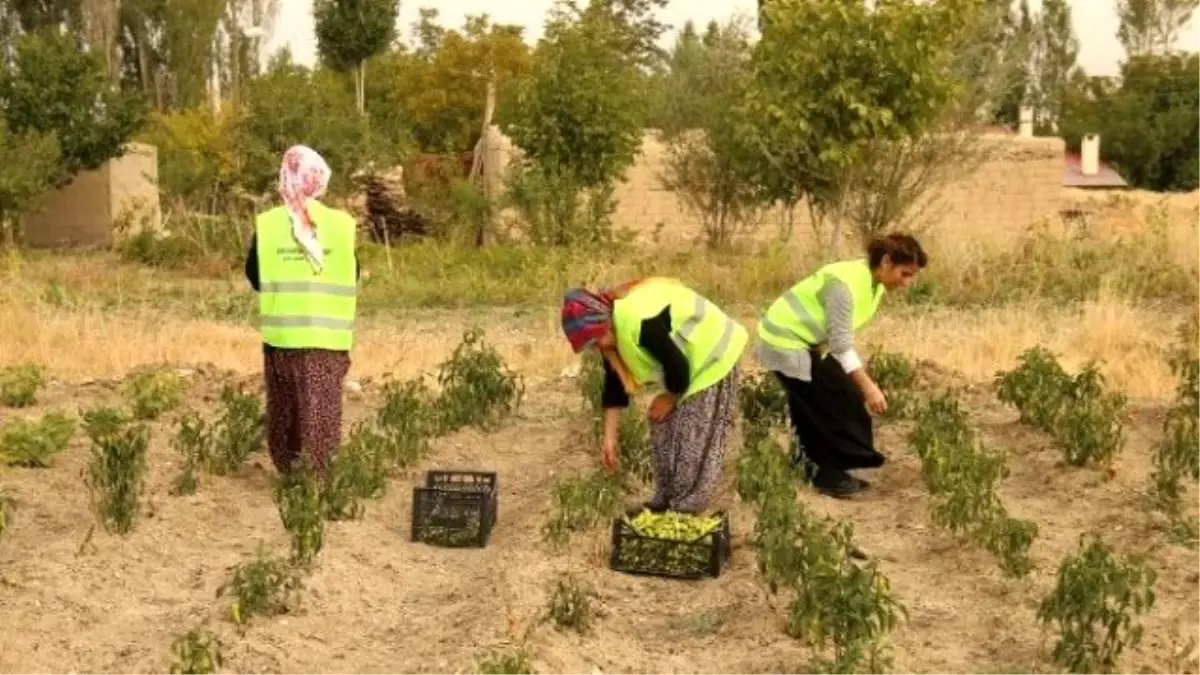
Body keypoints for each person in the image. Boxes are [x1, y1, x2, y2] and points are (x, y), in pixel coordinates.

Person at [755, 233, 927, 498]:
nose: (907, 283)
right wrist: (869, 387)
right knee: (832, 403)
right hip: (783, 343)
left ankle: (810, 466)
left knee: (821, 399)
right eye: (905, 274)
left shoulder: (872, 282)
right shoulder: (845, 287)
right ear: (886, 262)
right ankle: (829, 475)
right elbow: (842, 346)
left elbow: (839, 337)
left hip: (803, 342)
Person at [561, 278, 748, 514]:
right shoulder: (614, 334)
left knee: (693, 435)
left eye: (595, 341)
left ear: (603, 325)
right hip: (686, 363)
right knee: (662, 424)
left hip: (713, 355)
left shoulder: (639, 324)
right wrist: (609, 439)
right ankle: (665, 498)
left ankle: (686, 508)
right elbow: (614, 386)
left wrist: (669, 397)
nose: (596, 347)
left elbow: (678, 369)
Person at [244, 145, 361, 477]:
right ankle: (318, 483)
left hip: (281, 339)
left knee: (285, 413)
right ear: (320, 180)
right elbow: (351, 274)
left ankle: (289, 473)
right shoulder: (340, 225)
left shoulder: (268, 225)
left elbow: (254, 275)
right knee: (320, 414)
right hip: (326, 340)